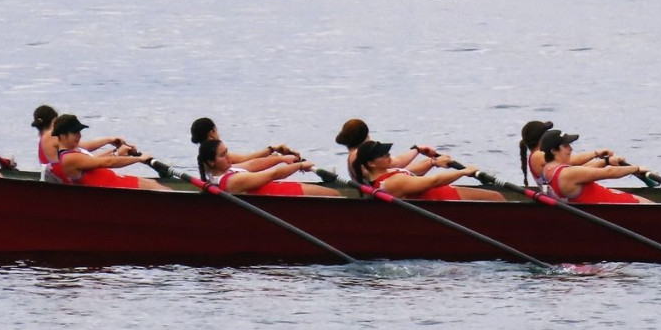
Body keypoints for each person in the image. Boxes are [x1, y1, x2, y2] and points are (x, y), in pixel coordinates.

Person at [353, 140, 504, 201]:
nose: (388, 155)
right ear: (371, 163)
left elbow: (411, 172)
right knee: (496, 197)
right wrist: (464, 172)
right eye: (382, 154)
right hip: (448, 201)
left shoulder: (384, 174)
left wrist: (433, 162)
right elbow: (434, 181)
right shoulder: (393, 182)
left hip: (448, 196)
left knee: (496, 196)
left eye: (386, 152)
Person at [51, 114, 168, 190]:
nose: (79, 136)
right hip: (115, 188)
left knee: (155, 184)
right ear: (62, 135)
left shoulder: (75, 151)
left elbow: (95, 160)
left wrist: (117, 150)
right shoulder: (68, 158)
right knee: (160, 189)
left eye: (79, 132)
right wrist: (139, 159)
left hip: (118, 182)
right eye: (75, 133)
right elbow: (108, 162)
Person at [540, 129, 652, 204]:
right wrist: (637, 168)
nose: (571, 149)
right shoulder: (567, 173)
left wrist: (606, 161)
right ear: (553, 150)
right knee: (651, 204)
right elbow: (609, 173)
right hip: (612, 206)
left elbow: (586, 170)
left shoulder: (548, 169)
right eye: (565, 146)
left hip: (606, 200)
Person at [197, 139, 340, 197]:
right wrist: (300, 165)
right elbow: (273, 174)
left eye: (227, 151)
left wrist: (282, 159)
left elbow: (253, 165)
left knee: (335, 194)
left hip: (281, 190)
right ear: (211, 162)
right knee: (336, 196)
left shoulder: (226, 171)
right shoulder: (232, 181)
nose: (228, 156)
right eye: (223, 155)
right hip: (285, 196)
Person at [33, 105, 130, 184]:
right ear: (54, 120)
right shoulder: (51, 136)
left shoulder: (44, 139)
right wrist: (110, 141)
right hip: (68, 179)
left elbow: (87, 158)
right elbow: (86, 148)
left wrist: (114, 151)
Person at [335, 118, 438, 185]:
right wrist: (418, 150)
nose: (387, 156)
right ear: (365, 136)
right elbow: (397, 163)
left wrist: (430, 161)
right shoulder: (359, 154)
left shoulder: (353, 154)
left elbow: (402, 170)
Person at [190, 117, 300, 168]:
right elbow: (247, 163)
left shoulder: (206, 155)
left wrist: (272, 151)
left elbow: (246, 159)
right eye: (217, 130)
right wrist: (276, 157)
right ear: (212, 132)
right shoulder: (215, 156)